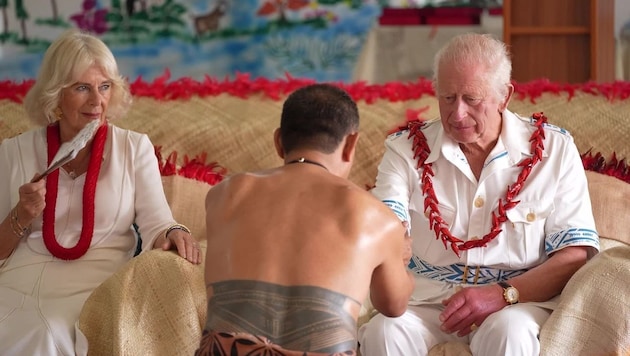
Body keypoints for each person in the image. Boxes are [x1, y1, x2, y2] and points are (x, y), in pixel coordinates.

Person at [358, 33, 600, 355]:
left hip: (516, 302)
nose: (457, 114)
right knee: (384, 331)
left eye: (472, 99)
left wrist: (501, 294)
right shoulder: (406, 149)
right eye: (447, 98)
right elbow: (386, 226)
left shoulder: (553, 149)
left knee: (510, 334)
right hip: (427, 300)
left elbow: (575, 253)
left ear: (505, 96)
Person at [0, 29, 201, 355]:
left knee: (44, 334)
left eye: (104, 87)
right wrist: (21, 214)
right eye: (82, 88)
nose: (97, 101)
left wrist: (175, 231)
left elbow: (157, 223)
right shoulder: (14, 151)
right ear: (55, 94)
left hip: (93, 288)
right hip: (16, 284)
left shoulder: (133, 148)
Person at [196, 83, 415, 355]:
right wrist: (401, 257)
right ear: (350, 145)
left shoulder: (223, 195)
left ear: (278, 141)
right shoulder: (377, 217)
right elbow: (394, 305)